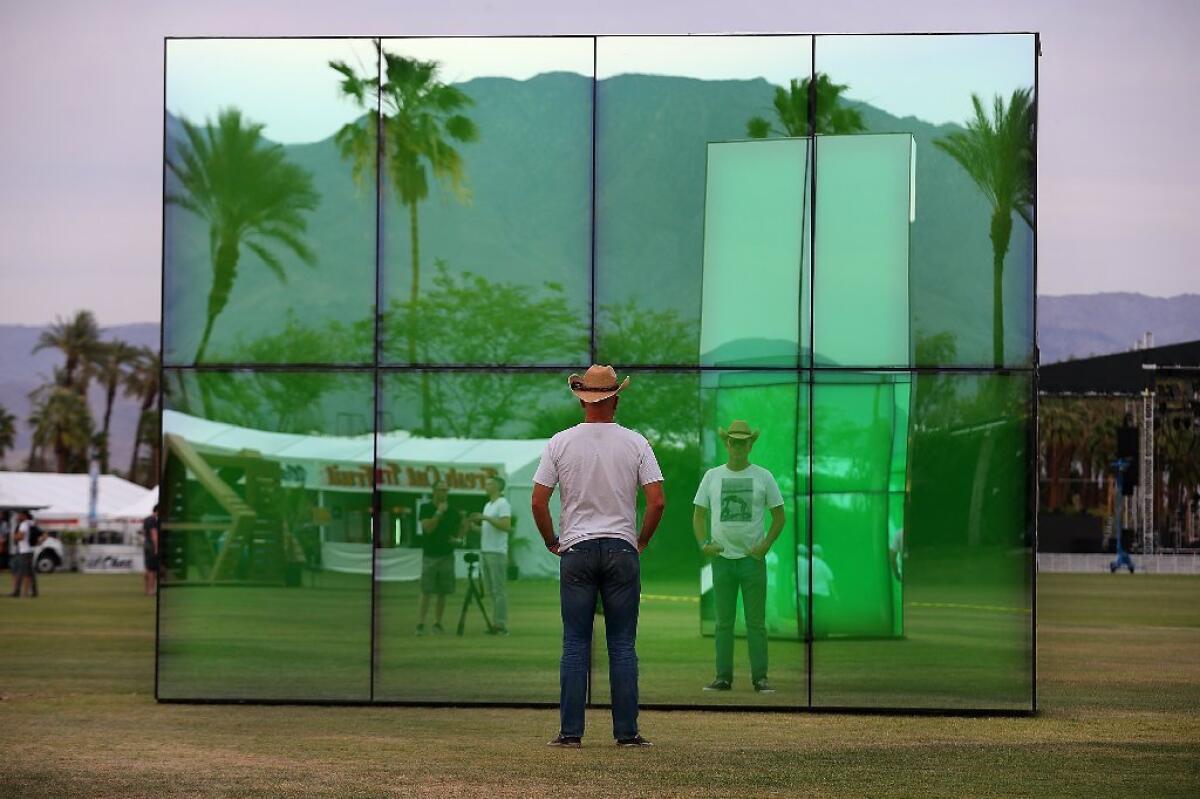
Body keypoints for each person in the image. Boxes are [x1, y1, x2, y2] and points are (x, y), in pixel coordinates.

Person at [532, 364, 665, 749]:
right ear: (615, 399)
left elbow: (539, 502)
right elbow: (656, 502)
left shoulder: (560, 442)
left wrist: (551, 541)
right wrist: (639, 541)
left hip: (576, 549)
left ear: (582, 399)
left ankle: (570, 733)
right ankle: (627, 733)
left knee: (575, 643)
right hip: (622, 548)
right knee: (622, 644)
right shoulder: (636, 442)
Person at [693, 419, 785, 694]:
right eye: (734, 441)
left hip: (752, 560)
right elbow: (698, 514)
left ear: (750, 445)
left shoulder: (764, 476)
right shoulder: (712, 476)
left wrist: (765, 545)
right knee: (723, 623)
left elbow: (779, 516)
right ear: (727, 443)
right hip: (722, 560)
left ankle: (760, 678)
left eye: (744, 442)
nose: (738, 447)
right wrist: (704, 544)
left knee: (756, 623)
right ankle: (723, 678)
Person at [415, 481, 467, 635]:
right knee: (426, 591)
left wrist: (458, 539)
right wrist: (438, 513)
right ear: (434, 491)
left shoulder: (452, 511)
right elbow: (428, 528)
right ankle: (420, 624)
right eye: (440, 490)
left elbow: (464, 524)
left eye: (445, 490)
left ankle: (438, 623)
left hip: (447, 555)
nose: (443, 493)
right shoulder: (426, 508)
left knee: (442, 592)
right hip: (430, 555)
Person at [469, 476, 513, 635]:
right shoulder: (488, 505)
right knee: (492, 590)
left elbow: (506, 526)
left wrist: (485, 518)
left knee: (499, 590)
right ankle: (496, 623)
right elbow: (488, 530)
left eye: (489, 483)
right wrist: (474, 527)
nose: (486, 486)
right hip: (486, 550)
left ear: (497, 487)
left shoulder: (503, 504)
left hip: (497, 552)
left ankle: (501, 625)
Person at [9, 510, 46, 598]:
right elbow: (44, 534)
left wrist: (14, 536)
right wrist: (40, 541)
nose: (18, 517)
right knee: (30, 572)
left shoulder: (23, 524)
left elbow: (21, 537)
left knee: (23, 572)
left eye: (19, 515)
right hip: (29, 550)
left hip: (24, 551)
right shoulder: (31, 524)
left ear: (24, 516)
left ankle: (20, 592)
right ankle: (33, 592)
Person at [143, 504, 160, 596]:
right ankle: (151, 590)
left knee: (148, 568)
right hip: (152, 546)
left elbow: (145, 533)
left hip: (146, 544)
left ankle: (146, 589)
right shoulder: (153, 520)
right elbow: (154, 535)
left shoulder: (146, 519)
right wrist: (156, 548)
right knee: (153, 570)